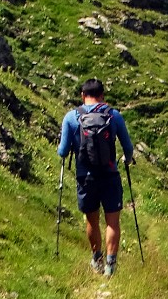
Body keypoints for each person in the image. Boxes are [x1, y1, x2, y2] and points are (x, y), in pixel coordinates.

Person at [58, 78, 135, 277]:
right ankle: (111, 265)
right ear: (102, 96)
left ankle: (97, 259)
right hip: (110, 175)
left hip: (86, 178)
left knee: (91, 221)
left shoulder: (71, 117)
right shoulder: (114, 116)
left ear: (83, 96)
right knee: (112, 222)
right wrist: (126, 159)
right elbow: (128, 147)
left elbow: (63, 151)